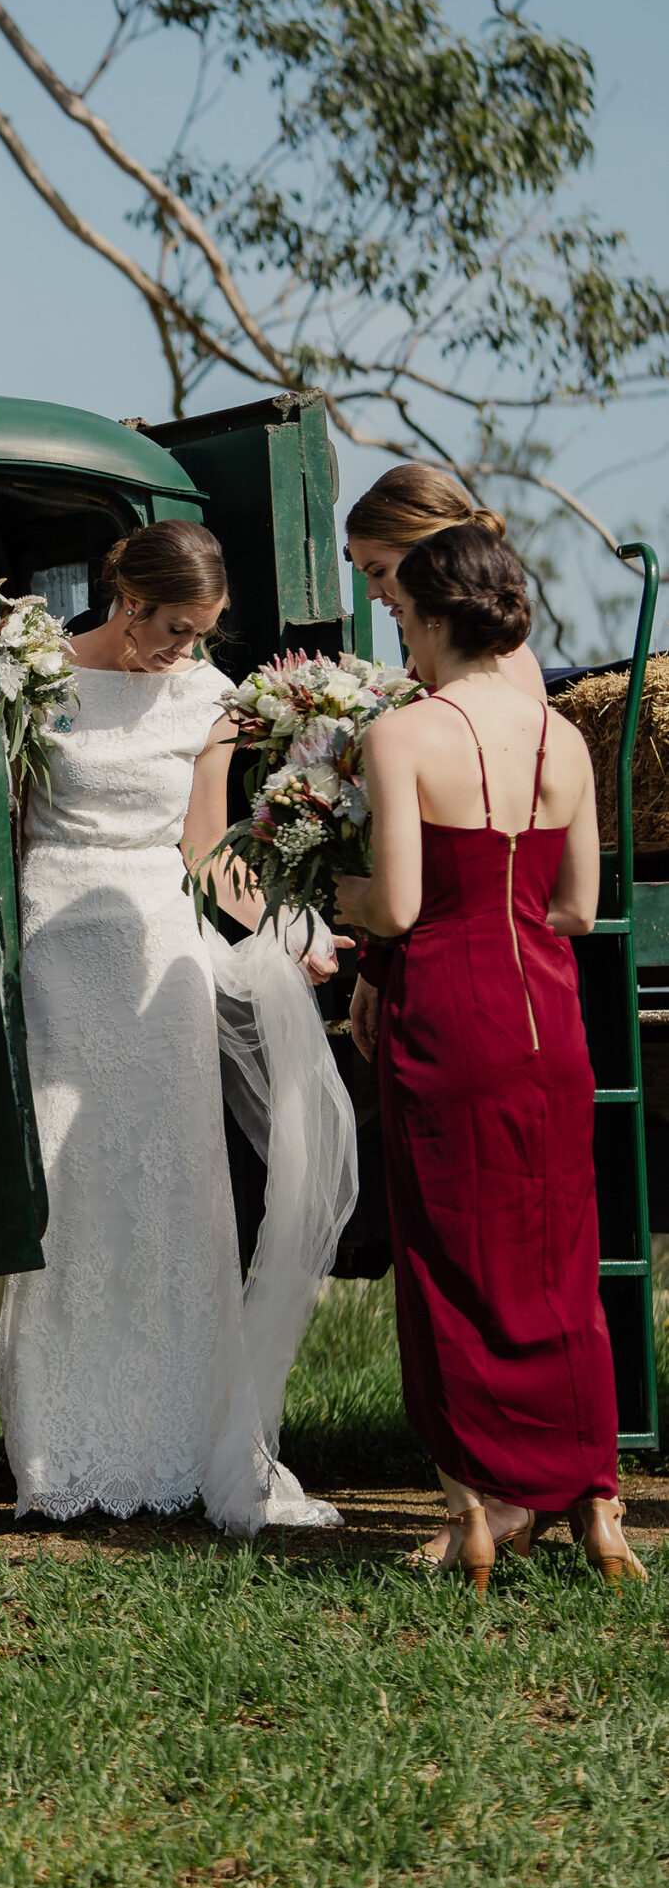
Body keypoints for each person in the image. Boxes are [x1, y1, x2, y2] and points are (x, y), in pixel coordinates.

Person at [0, 523, 358, 1535]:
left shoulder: (207, 698)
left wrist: (285, 921)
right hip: (56, 946)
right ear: (125, 595)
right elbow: (12, 824)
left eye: (201, 630)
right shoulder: (34, 677)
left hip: (158, 953)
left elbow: (204, 848)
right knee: (73, 1191)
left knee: (169, 1194)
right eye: (170, 628)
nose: (181, 648)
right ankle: (61, 1448)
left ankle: (175, 1437)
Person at [334, 523, 645, 1590]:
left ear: (435, 619)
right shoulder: (565, 739)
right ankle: (599, 1504)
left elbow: (403, 904)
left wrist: (335, 893)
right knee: (561, 1258)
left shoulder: (403, 735)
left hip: (446, 1012)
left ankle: (473, 1507)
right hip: (546, 1022)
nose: (404, 642)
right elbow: (578, 905)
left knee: (450, 1262)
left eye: (407, 620)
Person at [343, 465, 545, 1068]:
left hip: (463, 963)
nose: (376, 594)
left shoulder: (496, 673)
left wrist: (367, 925)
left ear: (427, 548)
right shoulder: (448, 670)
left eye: (379, 571)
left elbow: (468, 850)